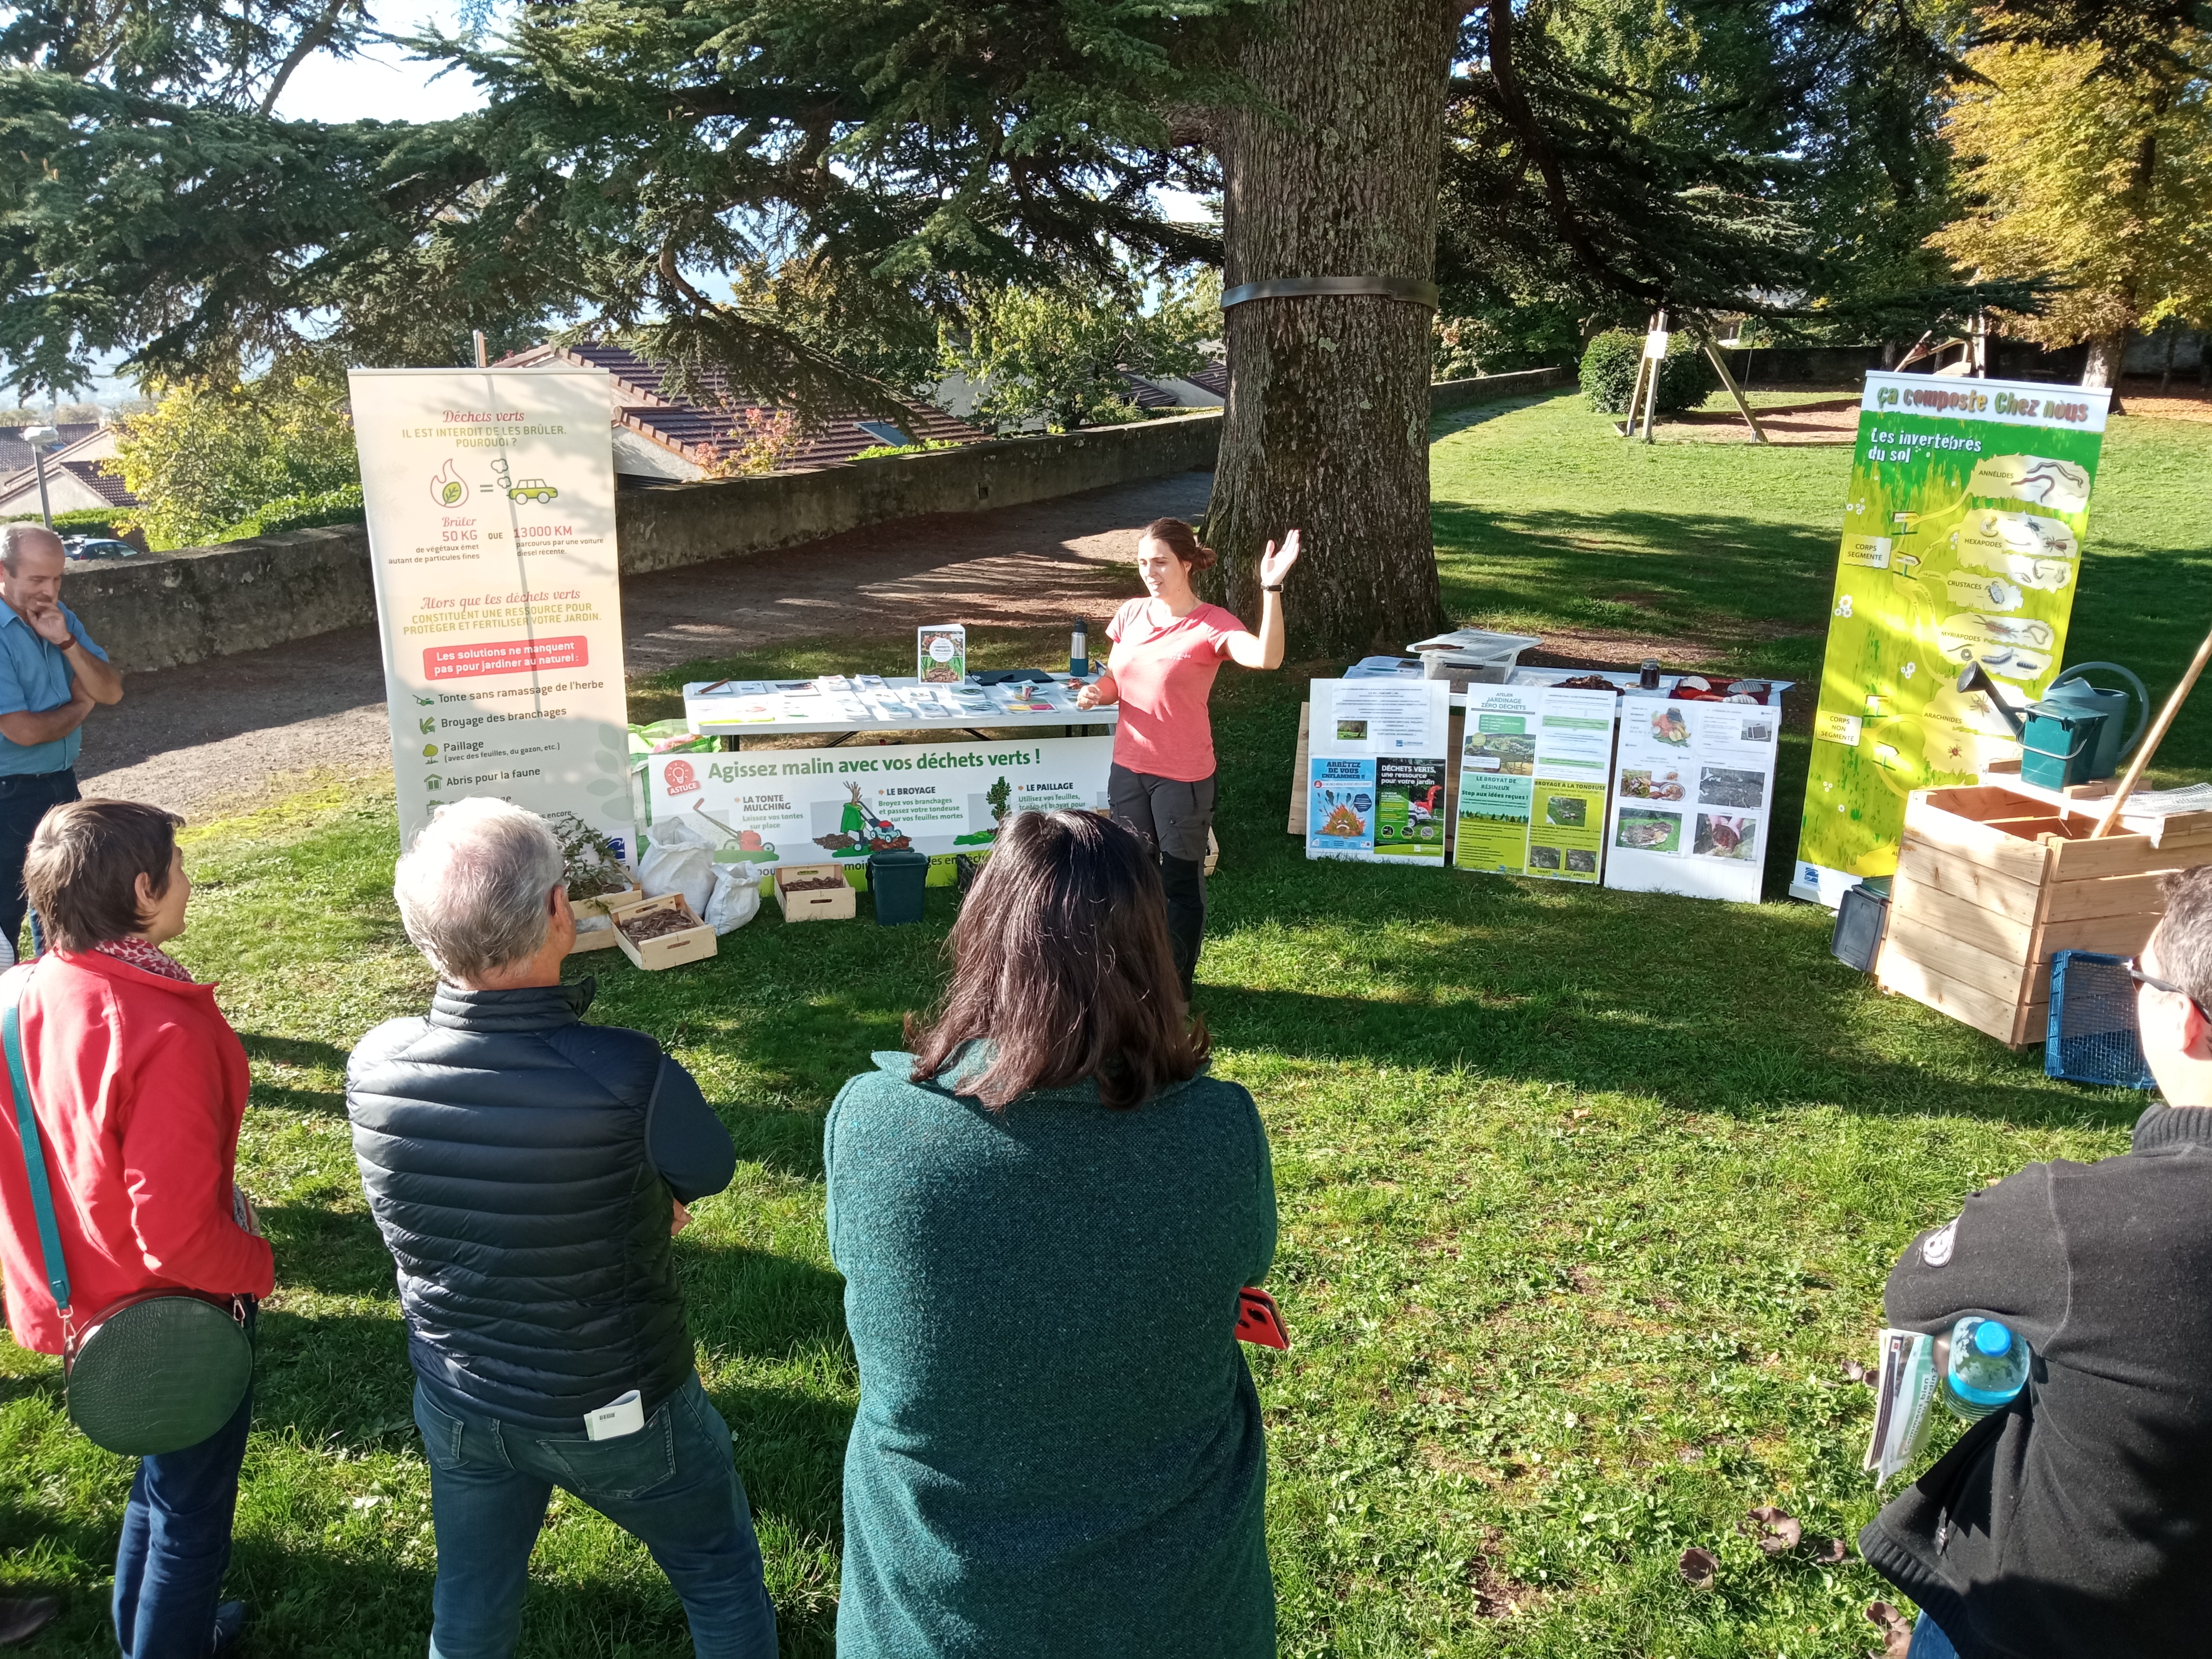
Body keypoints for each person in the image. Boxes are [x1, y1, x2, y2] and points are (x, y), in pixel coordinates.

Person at [826, 809, 1278, 1658]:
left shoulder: (873, 1126)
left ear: (983, 934)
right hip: (1181, 1618)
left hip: (935, 1622)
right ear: (1153, 949)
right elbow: (1246, 1268)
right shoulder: (1221, 1131)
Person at [346, 798, 775, 1659]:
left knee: (468, 1610)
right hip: (617, 1409)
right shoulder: (628, 1072)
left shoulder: (374, 1065)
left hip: (461, 1399)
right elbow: (711, 1169)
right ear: (556, 913)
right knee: (722, 1575)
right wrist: (647, 1195)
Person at [1859, 863, 2212, 1658]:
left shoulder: (2075, 1220)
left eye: (2138, 976)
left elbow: (1915, 1293)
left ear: (2189, 1020)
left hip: (2047, 1623)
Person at [0, 799, 272, 1657]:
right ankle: (167, 1641)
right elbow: (176, 1233)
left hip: (81, 1289)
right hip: (170, 1309)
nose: (190, 881)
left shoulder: (25, 992)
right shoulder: (162, 1026)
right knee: (193, 1515)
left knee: (162, 1482)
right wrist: (257, 1264)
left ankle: (149, 1630)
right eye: (180, 866)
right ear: (145, 890)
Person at [1074, 516, 1300, 996]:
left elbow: (1267, 658)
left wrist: (1271, 588)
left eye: (1160, 562)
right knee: (1132, 878)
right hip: (1129, 769)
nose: (1150, 572)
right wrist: (1100, 691)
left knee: (1178, 881)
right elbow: (1120, 679)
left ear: (1186, 564)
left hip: (1182, 777)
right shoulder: (1131, 615)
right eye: (1142, 563)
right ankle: (1136, 977)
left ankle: (1175, 987)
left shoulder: (1212, 623)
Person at [0, 525, 123, 960]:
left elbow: (109, 691)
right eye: (37, 580)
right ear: (2, 572)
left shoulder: (60, 616)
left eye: (57, 579)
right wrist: (78, 708)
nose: (49, 591)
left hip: (59, 783)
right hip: (7, 795)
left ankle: (52, 1016)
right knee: (2, 924)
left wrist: (67, 642)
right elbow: (23, 731)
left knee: (62, 913)